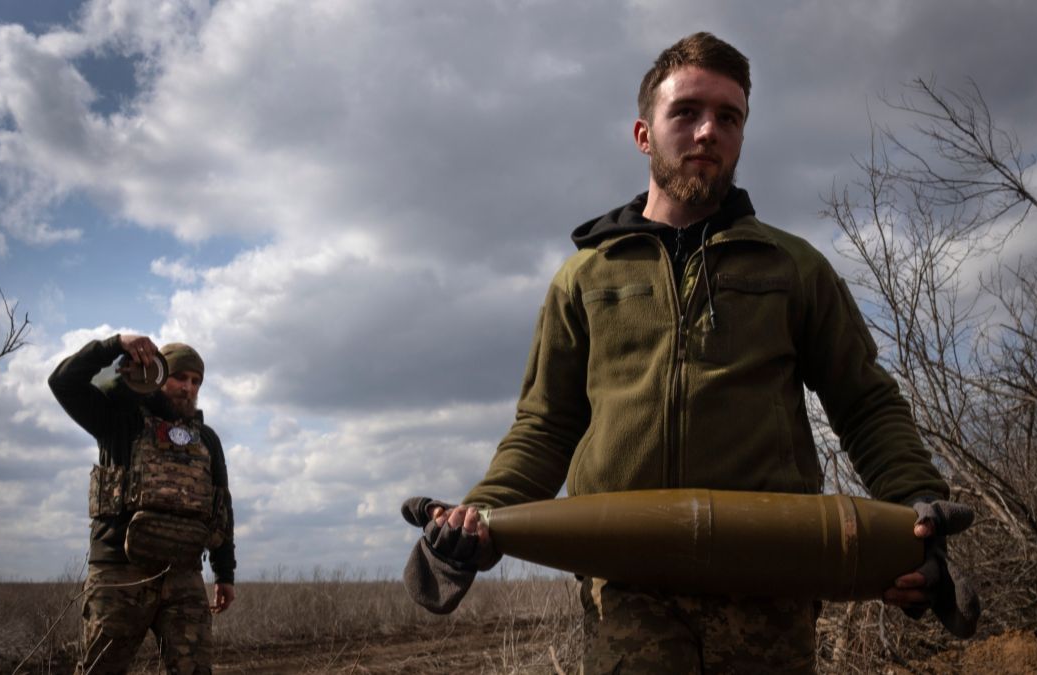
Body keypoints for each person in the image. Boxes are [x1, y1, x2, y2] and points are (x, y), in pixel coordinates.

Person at [407, 32, 976, 674]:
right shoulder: (586, 278)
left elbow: (865, 403)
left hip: (769, 582)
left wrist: (917, 510)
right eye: (687, 113)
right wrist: (480, 515)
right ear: (644, 134)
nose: (708, 131)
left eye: (728, 117)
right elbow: (544, 426)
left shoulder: (794, 269)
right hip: (627, 587)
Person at [50, 334, 235, 675]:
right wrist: (116, 344)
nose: (189, 388)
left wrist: (225, 572)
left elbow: (221, 505)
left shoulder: (206, 439)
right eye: (180, 377)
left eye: (196, 381)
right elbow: (63, 382)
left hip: (183, 574)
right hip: (120, 574)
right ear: (160, 375)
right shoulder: (120, 418)